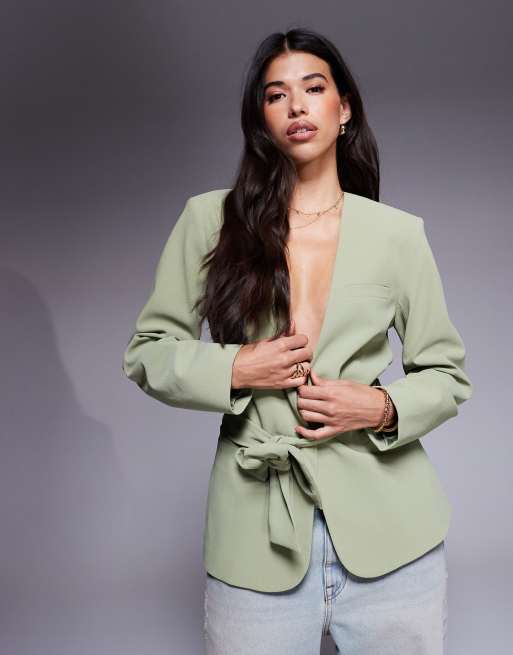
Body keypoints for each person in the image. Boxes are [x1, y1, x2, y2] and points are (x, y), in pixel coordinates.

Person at [122, 27, 472, 655]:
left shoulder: (397, 235)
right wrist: (237, 368)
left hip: (392, 533)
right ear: (261, 118)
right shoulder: (210, 220)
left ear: (344, 109)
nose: (296, 106)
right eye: (276, 94)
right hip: (254, 536)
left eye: (313, 88)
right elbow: (148, 352)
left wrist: (380, 406)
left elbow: (447, 376)